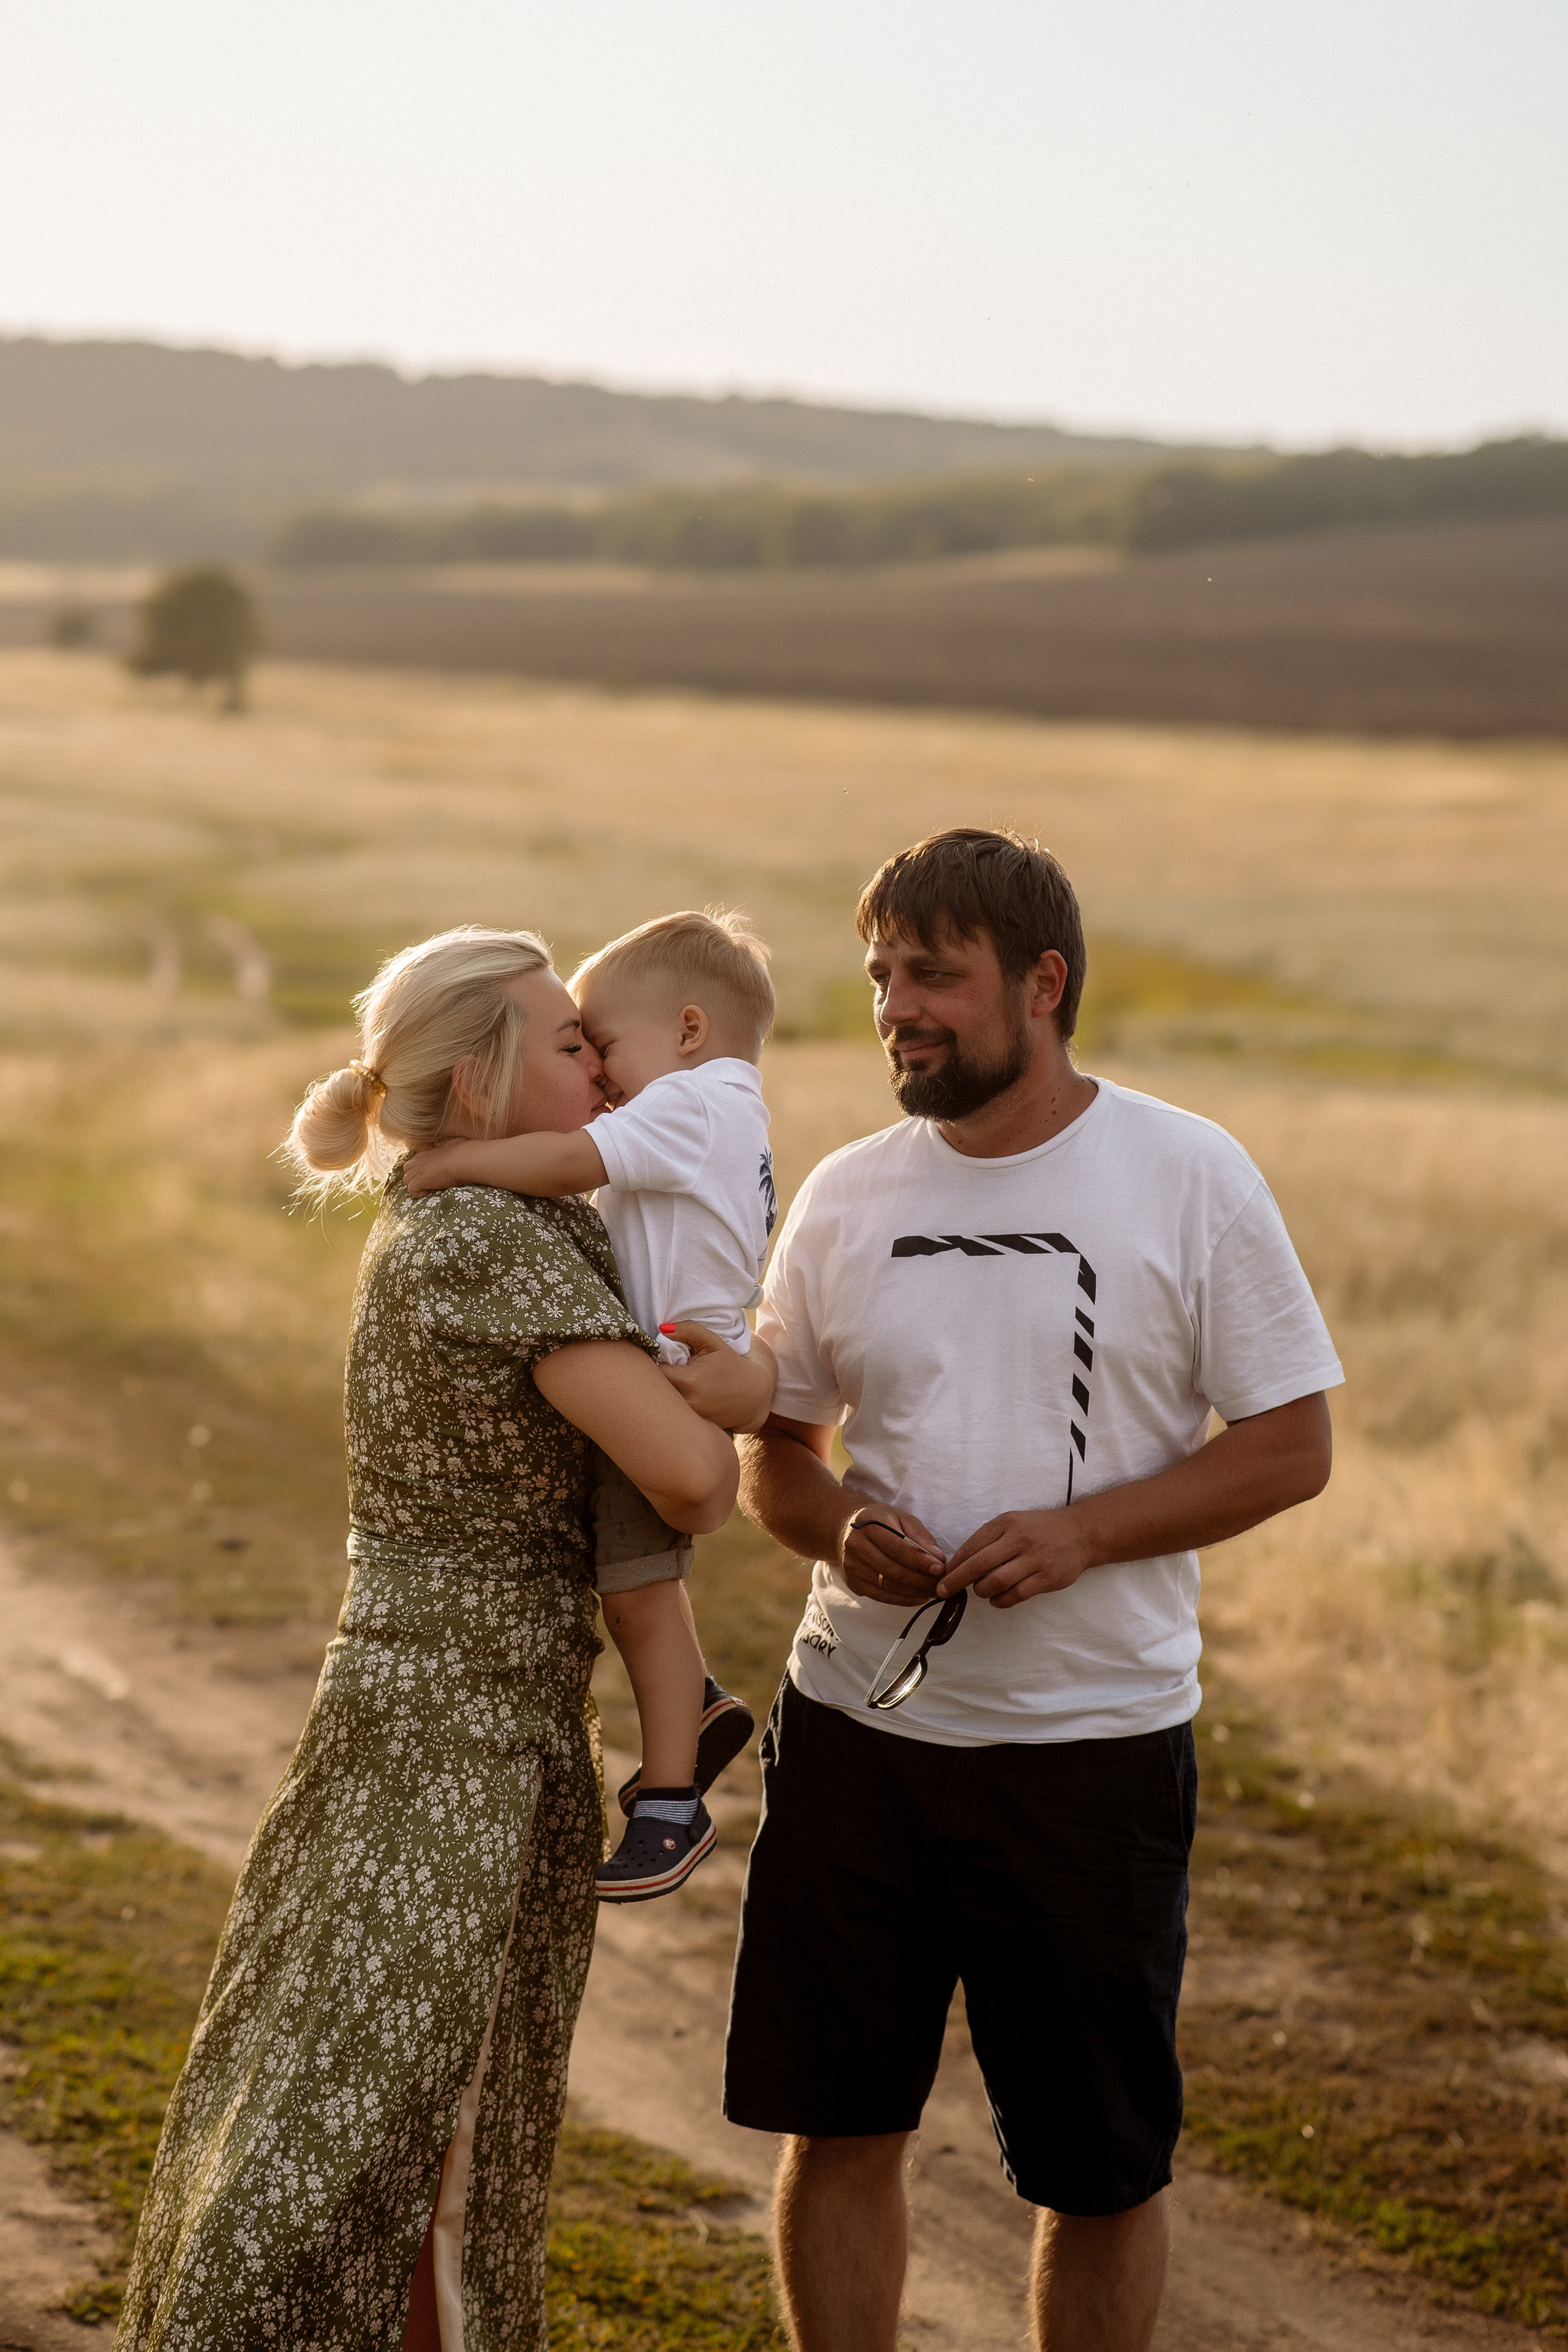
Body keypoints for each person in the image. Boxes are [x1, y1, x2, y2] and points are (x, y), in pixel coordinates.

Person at [725, 829, 1343, 2352]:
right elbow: (779, 1460)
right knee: (839, 2125)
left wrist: (1084, 1534)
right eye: (878, 978)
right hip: (855, 1738)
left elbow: (1290, 1446)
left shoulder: (1185, 1173)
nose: (893, 1010)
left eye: (931, 974)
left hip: (1092, 1755)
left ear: (1041, 983)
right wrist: (837, 1528)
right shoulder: (848, 1194)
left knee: (1097, 2170)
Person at [116, 925, 772, 2352]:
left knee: (382, 2111)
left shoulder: (494, 1220)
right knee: (394, 2130)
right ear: (475, 1086)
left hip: (460, 1717)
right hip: (453, 1742)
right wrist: (743, 1384)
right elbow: (696, 1483)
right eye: (567, 1043)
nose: (600, 1062)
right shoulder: (485, 1236)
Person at [407, 908, 778, 1901]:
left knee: (640, 1593)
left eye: (602, 1044)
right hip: (687, 1364)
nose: (603, 1075)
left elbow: (574, 1163)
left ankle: (670, 1802)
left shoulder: (694, 1104)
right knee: (645, 1588)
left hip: (666, 1375)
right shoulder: (726, 1110)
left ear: (690, 1031)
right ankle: (692, 1712)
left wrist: (451, 1164)